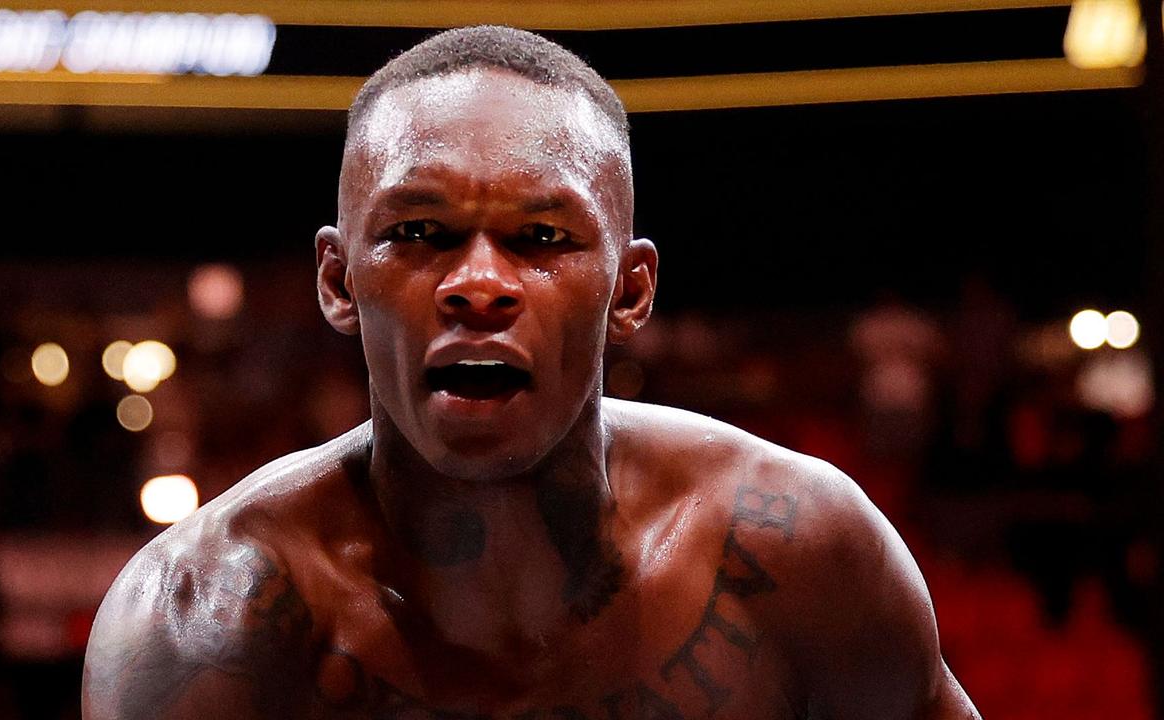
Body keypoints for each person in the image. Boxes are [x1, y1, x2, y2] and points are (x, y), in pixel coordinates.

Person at [82, 25, 980, 720]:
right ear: (337, 280)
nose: (478, 285)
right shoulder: (200, 617)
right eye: (419, 233)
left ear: (631, 290)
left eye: (541, 239)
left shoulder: (801, 552)